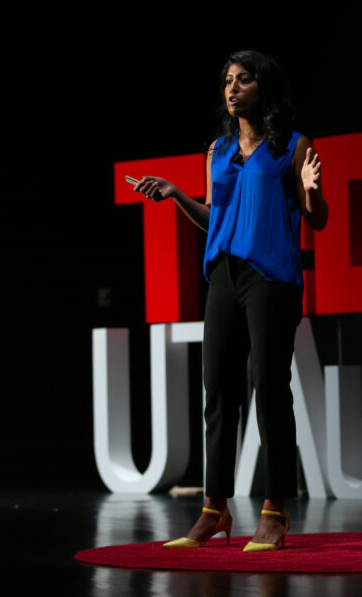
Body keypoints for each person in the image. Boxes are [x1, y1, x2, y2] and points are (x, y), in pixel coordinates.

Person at [134, 50, 328, 552]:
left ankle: (274, 511)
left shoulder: (291, 145)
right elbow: (216, 217)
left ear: (264, 87)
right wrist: (178, 195)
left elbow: (318, 219)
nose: (232, 88)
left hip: (271, 277)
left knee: (268, 386)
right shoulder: (218, 149)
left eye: (244, 80)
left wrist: (312, 192)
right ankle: (214, 511)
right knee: (217, 392)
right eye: (227, 81)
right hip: (223, 274)